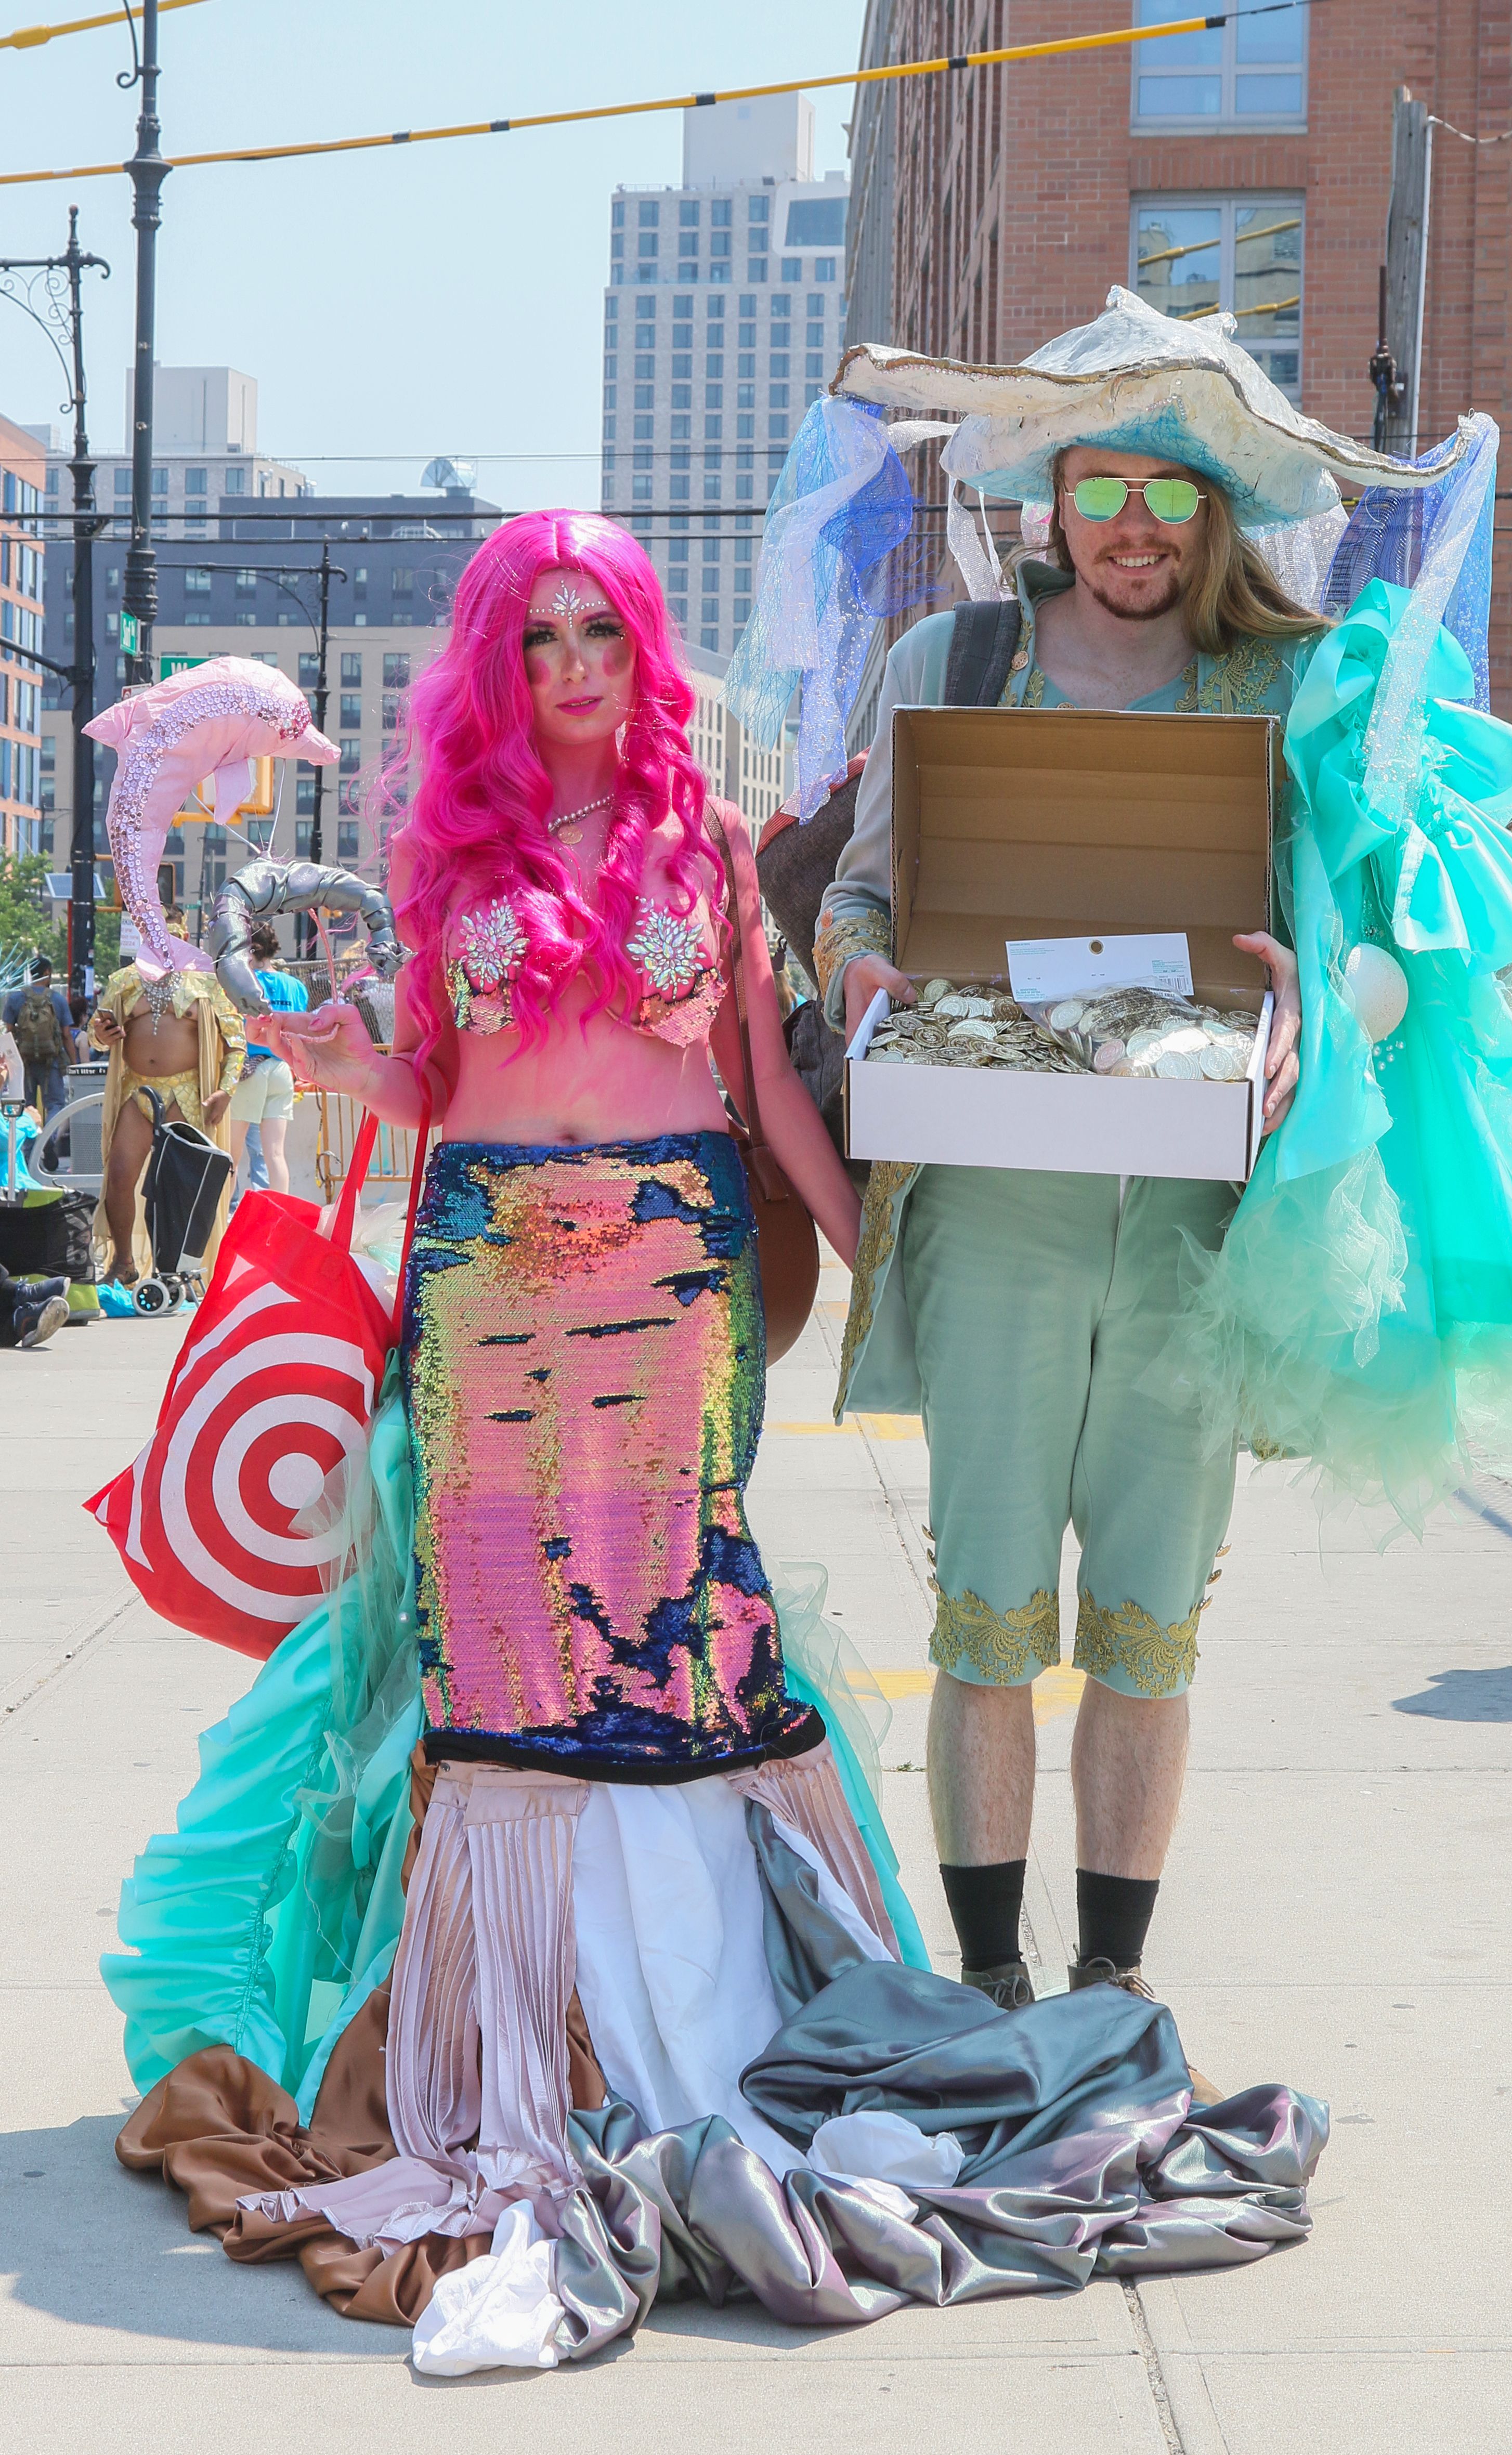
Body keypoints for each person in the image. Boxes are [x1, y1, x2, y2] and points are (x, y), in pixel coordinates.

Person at [99, 510, 1327, 2369]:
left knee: (682, 1667)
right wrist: (344, 1063)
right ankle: (511, 2064)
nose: (575, 665)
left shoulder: (703, 850)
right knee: (506, 1679)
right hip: (494, 1286)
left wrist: (880, 1251)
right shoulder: (452, 856)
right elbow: (435, 1077)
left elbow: (764, 1089)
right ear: (502, 664)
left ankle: (711, 2040)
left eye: (603, 632)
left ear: (639, 650)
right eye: (541, 637)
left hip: (674, 1292)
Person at [728, 286, 1512, 2012]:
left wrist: (1322, 997)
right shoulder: (952, 663)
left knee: (1147, 1621)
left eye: (1166, 490)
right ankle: (988, 1988)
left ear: (1212, 511)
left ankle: (1114, 1988)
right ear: (1048, 497)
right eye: (1099, 484)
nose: (1129, 524)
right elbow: (846, 896)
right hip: (990, 1198)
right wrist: (858, 977)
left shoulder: (1291, 686)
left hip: (1200, 1217)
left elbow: (1391, 936)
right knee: (986, 1614)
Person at [87, 947, 246, 1283]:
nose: (161, 939)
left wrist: (225, 1090)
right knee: (118, 1177)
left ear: (184, 937)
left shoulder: (206, 984)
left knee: (182, 1188)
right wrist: (100, 1036)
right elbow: (95, 1033)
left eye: (170, 931)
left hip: (186, 1094)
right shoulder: (124, 981)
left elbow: (236, 1043)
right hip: (137, 1092)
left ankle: (178, 1270)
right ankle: (123, 1262)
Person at [227, 918, 307, 1197]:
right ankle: (280, 1218)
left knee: (232, 1157)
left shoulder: (243, 985)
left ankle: (221, 1224)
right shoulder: (296, 987)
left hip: (250, 1069)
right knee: (275, 1154)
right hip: (283, 1069)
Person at [4, 956, 74, 1122]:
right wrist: (73, 1062)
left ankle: (29, 1147)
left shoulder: (15, 999)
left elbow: (8, 1031)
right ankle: (50, 1141)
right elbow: (66, 1034)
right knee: (55, 1104)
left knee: (26, 1105)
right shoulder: (58, 999)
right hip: (52, 1061)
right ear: (47, 972)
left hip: (24, 1062)